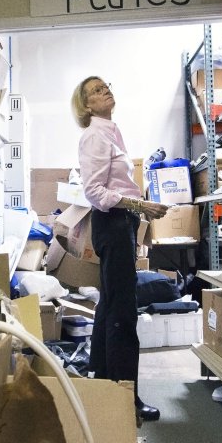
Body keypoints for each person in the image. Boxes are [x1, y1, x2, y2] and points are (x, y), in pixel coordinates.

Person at [72, 76, 170, 422]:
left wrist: (136, 208)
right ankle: (126, 396)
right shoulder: (95, 135)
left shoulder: (111, 131)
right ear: (86, 106)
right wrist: (139, 205)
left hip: (120, 222)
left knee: (110, 305)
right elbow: (95, 193)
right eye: (96, 91)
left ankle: (100, 378)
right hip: (112, 222)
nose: (105, 91)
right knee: (123, 312)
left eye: (106, 86)